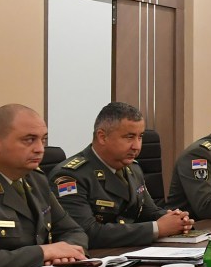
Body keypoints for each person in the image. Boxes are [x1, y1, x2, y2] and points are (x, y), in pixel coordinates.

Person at [0, 104, 88, 267]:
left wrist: (65, 253)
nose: (40, 149)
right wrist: (43, 253)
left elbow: (73, 230)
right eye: (29, 140)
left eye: (43, 139)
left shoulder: (35, 178)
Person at [51, 102, 192, 247]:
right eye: (129, 137)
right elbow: (86, 232)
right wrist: (156, 228)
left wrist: (176, 219)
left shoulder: (133, 168)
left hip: (131, 250)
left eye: (140, 137)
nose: (137, 146)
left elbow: (147, 211)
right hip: (98, 256)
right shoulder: (70, 176)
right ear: (102, 137)